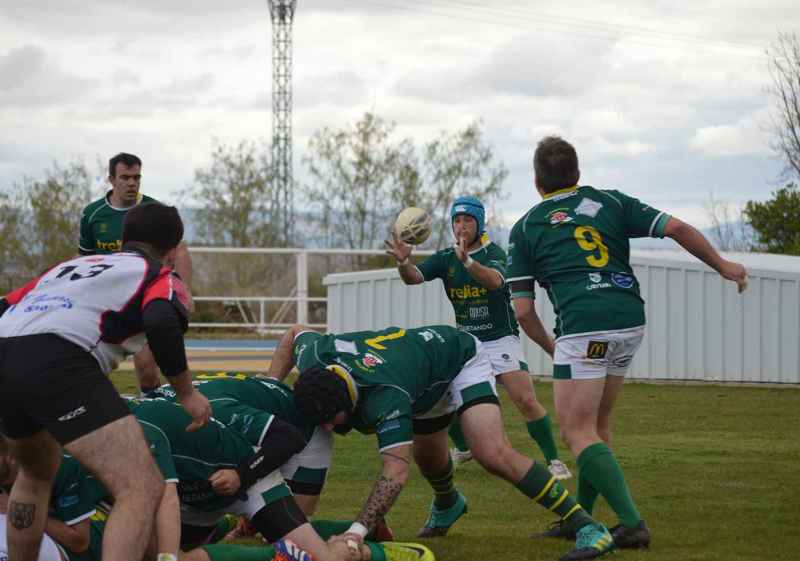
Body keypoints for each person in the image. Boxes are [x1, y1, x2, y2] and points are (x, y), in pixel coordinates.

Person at [507, 136, 749, 548]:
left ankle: (632, 525)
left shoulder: (527, 226)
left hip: (585, 328)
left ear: (536, 182)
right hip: (629, 320)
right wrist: (723, 265)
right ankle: (579, 518)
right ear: (578, 174)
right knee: (597, 427)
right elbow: (677, 227)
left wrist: (554, 348)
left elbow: (524, 311)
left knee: (576, 432)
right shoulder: (611, 201)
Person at [270, 324, 615, 561]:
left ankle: (585, 524)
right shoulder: (313, 355)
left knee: (491, 452)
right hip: (418, 378)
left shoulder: (385, 397)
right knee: (431, 460)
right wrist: (271, 385)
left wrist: (358, 532)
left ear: (351, 402)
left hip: (460, 359)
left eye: (332, 419)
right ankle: (449, 503)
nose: (328, 427)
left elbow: (394, 472)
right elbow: (294, 333)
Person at [0, 203, 211, 561]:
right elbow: (161, 320)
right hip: (57, 360)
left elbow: (4, 304)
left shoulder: (68, 266)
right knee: (141, 484)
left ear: (123, 239)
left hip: (4, 349)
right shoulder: (158, 274)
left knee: (36, 473)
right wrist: (186, 393)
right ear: (174, 250)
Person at [385, 195, 568, 478]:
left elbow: (495, 282)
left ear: (479, 223)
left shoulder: (494, 253)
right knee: (442, 396)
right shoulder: (446, 258)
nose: (461, 227)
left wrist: (468, 261)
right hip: (467, 343)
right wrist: (403, 262)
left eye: (467, 221)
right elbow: (413, 278)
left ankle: (554, 460)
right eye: (456, 221)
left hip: (500, 338)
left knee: (525, 400)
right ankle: (464, 447)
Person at [78, 152, 195, 395]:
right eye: (125, 177)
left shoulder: (153, 210)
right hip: (105, 301)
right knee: (90, 366)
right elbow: (85, 259)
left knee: (147, 370)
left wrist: (184, 289)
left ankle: (153, 412)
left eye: (136, 177)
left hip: (142, 297)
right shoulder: (92, 215)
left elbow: (180, 249)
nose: (132, 183)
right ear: (112, 179)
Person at [146, 372, 334, 516]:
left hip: (301, 426)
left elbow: (289, 438)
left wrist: (241, 475)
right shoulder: (153, 407)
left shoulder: (213, 412)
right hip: (252, 403)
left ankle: (351, 539)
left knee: (297, 513)